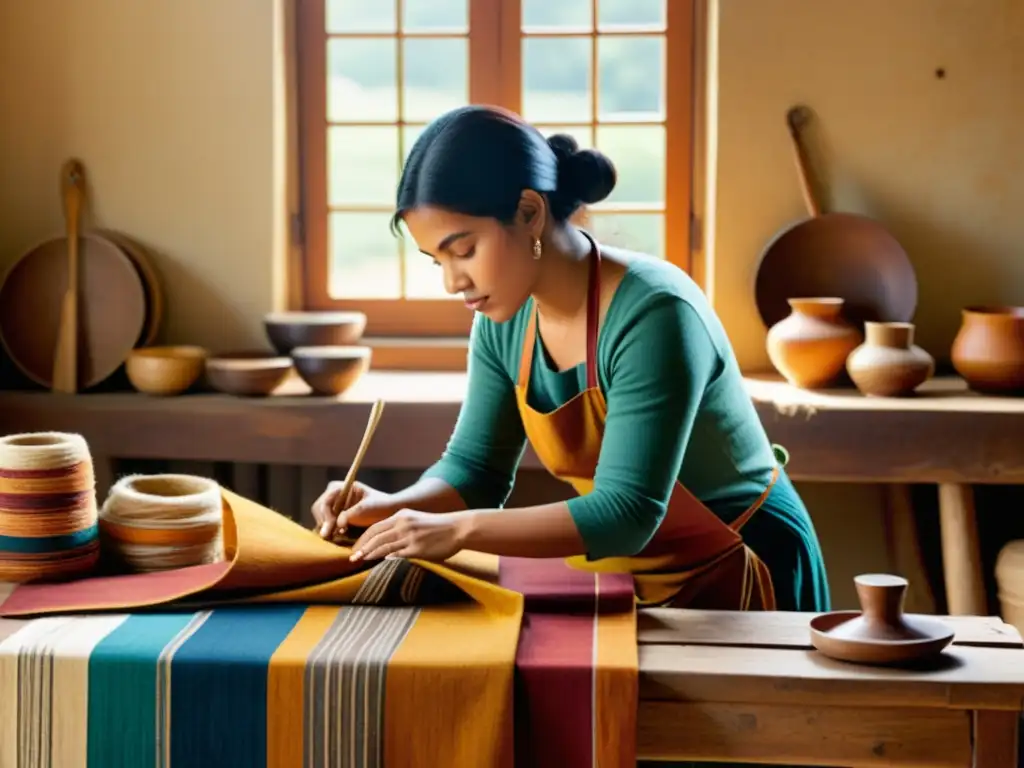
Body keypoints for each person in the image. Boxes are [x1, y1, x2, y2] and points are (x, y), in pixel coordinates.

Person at [311, 104, 830, 613]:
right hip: (635, 572)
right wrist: (391, 505)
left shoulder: (654, 313)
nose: (453, 282)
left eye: (464, 250)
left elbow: (627, 512)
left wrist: (457, 531)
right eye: (437, 261)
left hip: (744, 567)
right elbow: (475, 472)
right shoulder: (504, 319)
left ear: (530, 212)